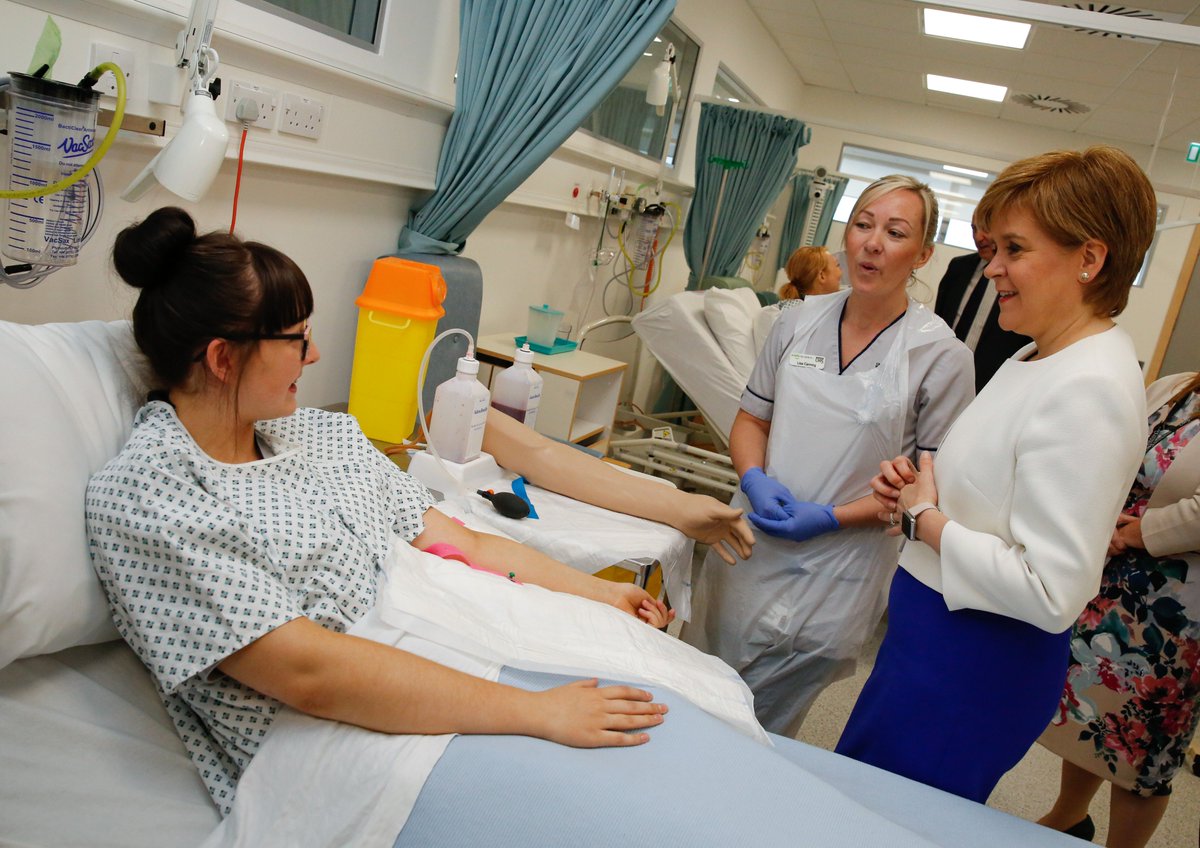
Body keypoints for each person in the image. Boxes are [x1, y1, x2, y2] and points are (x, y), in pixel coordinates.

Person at [85, 207, 675, 816]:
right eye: (296, 338)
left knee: (667, 728)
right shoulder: (151, 498)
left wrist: (598, 597)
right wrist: (538, 711)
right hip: (341, 742)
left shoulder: (322, 436)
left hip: (449, 655)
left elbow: (460, 543)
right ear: (222, 359)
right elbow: (313, 673)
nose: (314, 356)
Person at [840, 146, 1156, 804]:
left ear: (1089, 259)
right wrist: (916, 493)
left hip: (972, 665)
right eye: (991, 248)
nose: (992, 269)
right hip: (933, 645)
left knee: (882, 822)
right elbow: (994, 495)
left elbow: (1049, 589)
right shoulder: (1034, 357)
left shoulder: (1090, 387)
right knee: (858, 804)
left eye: (1014, 248)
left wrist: (925, 522)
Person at [680, 175, 976, 736]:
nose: (872, 243)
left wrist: (832, 517)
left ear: (923, 254)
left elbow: (928, 489)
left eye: (895, 232)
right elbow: (752, 418)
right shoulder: (796, 320)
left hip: (840, 570)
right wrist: (754, 477)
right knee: (696, 683)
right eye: (863, 224)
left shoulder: (941, 356)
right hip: (749, 543)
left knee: (757, 728)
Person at [1037, 370, 1200, 847]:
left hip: (1180, 612)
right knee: (1100, 713)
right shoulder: (1178, 387)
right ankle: (1068, 817)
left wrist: (1133, 533)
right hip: (1117, 584)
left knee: (1148, 743)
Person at [933, 218, 1031, 391]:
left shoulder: (1019, 279)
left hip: (992, 386)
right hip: (940, 378)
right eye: (973, 228)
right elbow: (939, 320)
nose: (978, 237)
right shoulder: (958, 267)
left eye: (985, 228)